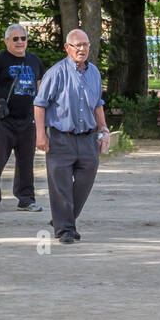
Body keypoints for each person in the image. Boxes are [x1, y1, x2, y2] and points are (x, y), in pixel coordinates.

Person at [33, 29, 112, 245]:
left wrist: (103, 129)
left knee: (84, 182)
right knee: (61, 185)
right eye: (77, 45)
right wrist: (40, 135)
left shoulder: (94, 72)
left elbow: (97, 104)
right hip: (60, 138)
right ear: (67, 48)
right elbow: (40, 104)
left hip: (87, 138)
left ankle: (62, 219)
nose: (82, 49)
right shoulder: (56, 73)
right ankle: (65, 230)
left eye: (85, 44)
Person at [0, 24, 45, 214]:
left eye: (23, 38)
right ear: (7, 41)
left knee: (26, 163)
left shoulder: (34, 61)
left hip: (28, 121)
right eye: (15, 39)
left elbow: (40, 90)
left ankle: (26, 199)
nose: (19, 42)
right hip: (4, 121)